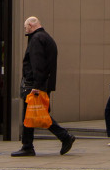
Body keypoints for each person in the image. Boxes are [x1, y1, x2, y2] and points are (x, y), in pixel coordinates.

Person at [12, 16, 76, 157]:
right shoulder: (46, 38)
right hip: (42, 84)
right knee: (34, 114)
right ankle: (28, 145)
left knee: (36, 114)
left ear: (30, 25)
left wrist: (36, 85)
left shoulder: (36, 39)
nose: (25, 30)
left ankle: (62, 137)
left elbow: (38, 64)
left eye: (25, 27)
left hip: (35, 85)